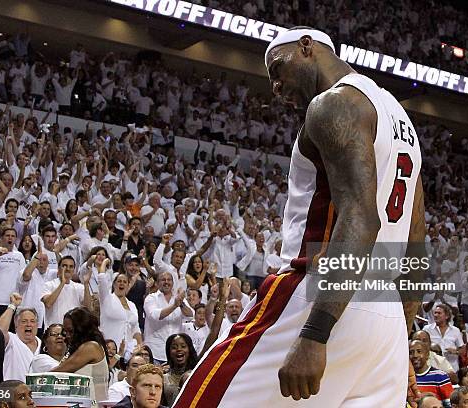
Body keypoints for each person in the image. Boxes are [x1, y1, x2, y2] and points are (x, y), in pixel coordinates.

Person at [175, 26, 426, 407]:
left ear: (307, 47)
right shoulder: (399, 120)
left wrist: (315, 333)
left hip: (324, 292)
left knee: (200, 400)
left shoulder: (333, 104)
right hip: (385, 310)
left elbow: (361, 218)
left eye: (277, 69)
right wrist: (401, 342)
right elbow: (415, 243)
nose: (275, 87)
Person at [51, 307, 109, 405]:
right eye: (65, 332)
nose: (67, 336)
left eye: (71, 331)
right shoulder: (79, 348)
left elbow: (57, 372)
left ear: (82, 329)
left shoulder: (91, 347)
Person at [96, 257, 142, 359]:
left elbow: (136, 329)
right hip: (109, 350)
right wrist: (105, 262)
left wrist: (140, 345)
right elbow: (102, 280)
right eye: (119, 281)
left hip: (128, 353)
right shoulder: (107, 299)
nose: (121, 283)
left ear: (128, 285)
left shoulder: (132, 305)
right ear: (114, 284)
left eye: (125, 282)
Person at [143, 272, 192, 364]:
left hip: (174, 353)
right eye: (163, 280)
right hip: (155, 351)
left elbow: (190, 315)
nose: (166, 282)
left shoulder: (178, 299)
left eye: (169, 280)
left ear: (173, 283)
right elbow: (155, 316)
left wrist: (181, 304)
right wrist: (174, 305)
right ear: (157, 283)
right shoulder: (151, 298)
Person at [0, 293, 41, 381]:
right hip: (12, 391)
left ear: (37, 325)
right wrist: (13, 305)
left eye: (32, 321)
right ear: (16, 324)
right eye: (24, 321)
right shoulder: (12, 340)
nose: (29, 325)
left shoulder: (43, 345)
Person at [41, 256, 91, 326]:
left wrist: (86, 284)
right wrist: (62, 283)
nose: (67, 269)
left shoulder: (79, 287)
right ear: (58, 268)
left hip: (73, 330)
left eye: (71, 267)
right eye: (64, 266)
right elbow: (48, 304)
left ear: (74, 270)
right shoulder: (48, 285)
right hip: (54, 329)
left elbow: (88, 308)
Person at [409, 340, 453, 405]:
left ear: (427, 355)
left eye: (419, 351)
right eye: (411, 352)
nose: (415, 355)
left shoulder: (440, 376)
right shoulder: (405, 378)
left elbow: (449, 404)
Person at [423, 304, 465, 372]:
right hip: (432, 367)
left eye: (439, 313)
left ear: (447, 316)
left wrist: (456, 351)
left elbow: (463, 349)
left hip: (451, 368)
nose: (436, 315)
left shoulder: (455, 330)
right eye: (435, 313)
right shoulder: (427, 329)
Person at [162, 334, 198, 405]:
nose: (179, 349)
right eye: (174, 347)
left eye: (183, 346)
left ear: (189, 350)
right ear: (169, 352)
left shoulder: (196, 374)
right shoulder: (163, 378)